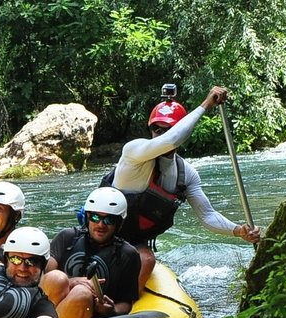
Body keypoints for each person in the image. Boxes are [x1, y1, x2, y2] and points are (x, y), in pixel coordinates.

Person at [110, 85, 262, 292]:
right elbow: (171, 139)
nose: (161, 134)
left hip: (135, 244)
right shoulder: (133, 153)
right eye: (157, 129)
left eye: (169, 128)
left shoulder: (186, 174)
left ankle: (127, 304)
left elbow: (208, 216)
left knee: (146, 259)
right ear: (150, 129)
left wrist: (238, 231)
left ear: (181, 130)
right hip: (101, 237)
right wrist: (206, 105)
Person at [44, 187, 141, 318]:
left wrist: (111, 310)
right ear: (87, 217)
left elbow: (126, 303)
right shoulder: (67, 237)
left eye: (109, 220)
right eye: (95, 217)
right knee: (56, 278)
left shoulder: (128, 254)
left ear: (118, 223)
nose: (101, 224)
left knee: (81, 293)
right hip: (54, 306)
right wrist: (71, 282)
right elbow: (43, 278)